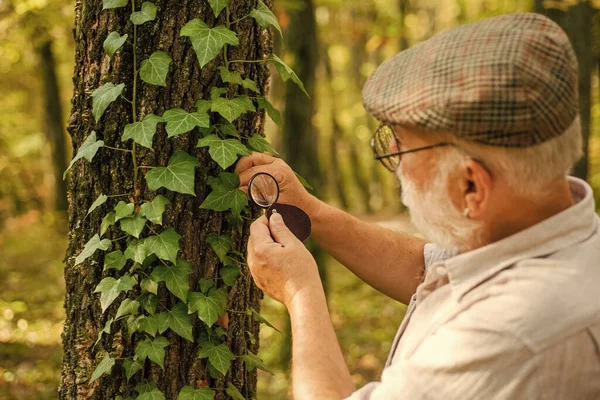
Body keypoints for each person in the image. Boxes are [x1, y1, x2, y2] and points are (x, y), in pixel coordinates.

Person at [234, 13, 600, 400]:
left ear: (472, 185)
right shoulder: (547, 232)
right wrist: (310, 210)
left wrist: (300, 291)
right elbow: (426, 268)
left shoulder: (509, 332)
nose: (392, 151)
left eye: (404, 144)